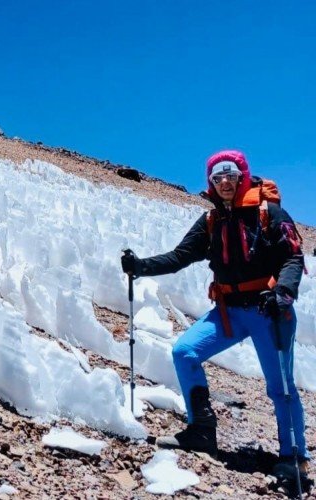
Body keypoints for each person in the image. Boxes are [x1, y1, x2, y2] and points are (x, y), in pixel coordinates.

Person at [122, 150, 308, 484]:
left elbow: (293, 257)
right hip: (230, 311)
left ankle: (294, 457)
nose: (224, 182)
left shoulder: (269, 213)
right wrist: (141, 267)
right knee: (184, 351)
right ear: (211, 182)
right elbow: (180, 256)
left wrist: (283, 292)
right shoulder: (211, 222)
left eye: (230, 175)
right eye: (217, 177)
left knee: (280, 386)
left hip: (270, 310)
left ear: (242, 176)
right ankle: (202, 431)